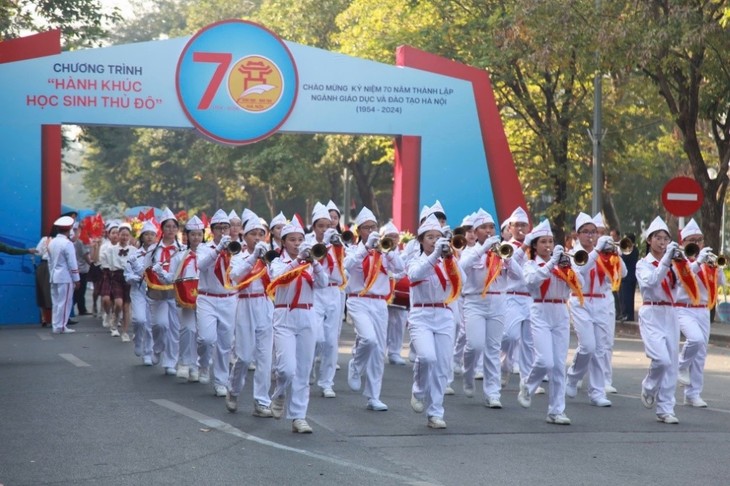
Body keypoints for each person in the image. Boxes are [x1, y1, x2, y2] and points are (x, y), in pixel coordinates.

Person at [518, 219, 582, 425]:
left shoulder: (562, 263)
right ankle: (528, 385)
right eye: (543, 242)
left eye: (550, 241)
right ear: (535, 246)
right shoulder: (530, 265)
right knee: (545, 360)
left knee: (558, 365)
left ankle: (556, 411)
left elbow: (580, 285)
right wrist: (552, 262)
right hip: (540, 310)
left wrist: (570, 269)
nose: (548, 245)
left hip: (561, 311)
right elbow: (531, 280)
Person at [268, 217, 328, 433]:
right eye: (292, 240)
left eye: (300, 239)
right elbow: (279, 278)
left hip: (307, 314)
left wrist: (314, 263)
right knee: (286, 369)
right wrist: (298, 261)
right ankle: (279, 393)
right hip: (284, 315)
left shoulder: (310, 264)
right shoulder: (277, 262)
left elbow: (324, 284)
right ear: (283, 242)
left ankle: (298, 416)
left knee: (303, 369)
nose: (296, 243)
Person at [407, 214, 465, 428]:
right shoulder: (416, 260)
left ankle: (435, 413)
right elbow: (415, 275)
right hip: (420, 314)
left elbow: (463, 282)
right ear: (421, 240)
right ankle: (418, 390)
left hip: (444, 314)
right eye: (429, 237)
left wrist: (450, 259)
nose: (434, 241)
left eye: (437, 237)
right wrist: (434, 256)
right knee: (427, 357)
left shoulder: (448, 261)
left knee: (442, 365)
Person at [345, 206, 405, 412]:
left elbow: (400, 269)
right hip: (358, 300)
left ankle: (373, 396)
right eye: (366, 227)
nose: (371, 231)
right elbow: (347, 266)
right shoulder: (352, 250)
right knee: (368, 339)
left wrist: (388, 252)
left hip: (379, 302)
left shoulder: (384, 250)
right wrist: (365, 248)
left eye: (373, 227)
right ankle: (356, 365)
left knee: (378, 349)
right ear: (359, 231)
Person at [459, 209, 521, 409]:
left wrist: (508, 260)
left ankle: (492, 393)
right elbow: (461, 268)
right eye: (483, 228)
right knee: (475, 345)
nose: (488, 231)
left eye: (491, 227)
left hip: (498, 302)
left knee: (493, 348)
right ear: (475, 232)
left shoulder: (502, 251)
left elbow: (519, 276)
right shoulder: (470, 252)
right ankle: (468, 374)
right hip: (475, 301)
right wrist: (482, 249)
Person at [565, 212, 625, 407]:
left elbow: (622, 273)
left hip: (602, 302)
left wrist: (615, 254)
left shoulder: (603, 253)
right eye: (586, 232)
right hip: (580, 301)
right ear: (577, 234)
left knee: (600, 348)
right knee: (587, 346)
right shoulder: (573, 253)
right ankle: (573, 376)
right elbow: (580, 270)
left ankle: (597, 392)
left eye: (594, 232)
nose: (591, 236)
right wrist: (597, 251)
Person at [227, 211, 275, 417]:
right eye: (253, 234)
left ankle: (262, 401)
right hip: (245, 305)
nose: (257, 237)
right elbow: (235, 276)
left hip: (264, 304)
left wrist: (268, 261)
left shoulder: (271, 256)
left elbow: (278, 278)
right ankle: (233, 390)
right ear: (244, 236)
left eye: (261, 234)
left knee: (265, 357)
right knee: (245, 357)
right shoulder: (238, 257)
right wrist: (254, 258)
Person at [636, 216, 681, 424]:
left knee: (671, 362)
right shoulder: (642, 264)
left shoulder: (673, 264)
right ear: (649, 240)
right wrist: (666, 261)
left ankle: (665, 409)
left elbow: (685, 285)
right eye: (658, 238)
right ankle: (649, 386)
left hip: (670, 313)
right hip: (651, 312)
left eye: (665, 239)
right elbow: (653, 281)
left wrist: (691, 264)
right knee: (661, 359)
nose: (662, 243)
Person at [676, 219, 721, 408]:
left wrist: (717, 267)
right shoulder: (679, 259)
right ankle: (680, 366)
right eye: (692, 240)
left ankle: (693, 394)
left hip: (703, 310)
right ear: (684, 242)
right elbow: (683, 278)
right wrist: (698, 261)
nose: (697, 243)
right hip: (683, 308)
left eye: (699, 239)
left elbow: (720, 283)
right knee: (695, 339)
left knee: (701, 353)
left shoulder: (706, 260)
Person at [154, 215, 204, 381]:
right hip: (186, 299)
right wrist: (160, 273)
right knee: (188, 329)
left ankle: (196, 366)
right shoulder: (180, 255)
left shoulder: (209, 254)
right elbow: (172, 278)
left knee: (201, 334)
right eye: (193, 234)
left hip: (205, 299)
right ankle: (183, 362)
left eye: (199, 234)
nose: (196, 238)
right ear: (187, 236)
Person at [195, 209, 237, 396]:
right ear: (212, 230)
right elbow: (201, 265)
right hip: (207, 298)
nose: (223, 231)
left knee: (225, 344)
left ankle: (221, 381)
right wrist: (219, 249)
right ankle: (203, 363)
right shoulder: (204, 248)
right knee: (206, 339)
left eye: (226, 228)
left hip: (229, 299)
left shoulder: (236, 248)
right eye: (219, 228)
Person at [307, 202, 347, 398]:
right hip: (315, 291)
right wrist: (324, 245)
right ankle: (309, 366)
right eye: (320, 226)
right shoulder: (307, 243)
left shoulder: (338, 243)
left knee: (331, 341)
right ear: (314, 227)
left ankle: (326, 382)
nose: (324, 229)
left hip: (334, 292)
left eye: (328, 226)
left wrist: (337, 246)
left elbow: (345, 268)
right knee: (316, 337)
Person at [125, 221, 157, 365]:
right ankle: (138, 340)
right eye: (147, 234)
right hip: (138, 290)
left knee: (150, 324)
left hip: (154, 292)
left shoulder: (158, 254)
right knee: (140, 320)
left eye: (152, 234)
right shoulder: (134, 255)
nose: (149, 237)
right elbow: (127, 275)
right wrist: (136, 278)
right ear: (142, 237)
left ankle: (148, 353)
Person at [47, 215, 80, 334]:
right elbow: (72, 263)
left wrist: (51, 274)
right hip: (65, 277)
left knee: (56, 303)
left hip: (54, 276)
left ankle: (56, 325)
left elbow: (50, 261)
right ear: (69, 229)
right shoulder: (67, 244)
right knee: (65, 302)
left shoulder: (51, 242)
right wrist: (76, 279)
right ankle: (61, 326)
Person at [382, 221, 408, 366]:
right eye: (389, 236)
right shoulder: (380, 251)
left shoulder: (403, 253)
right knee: (383, 322)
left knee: (398, 323)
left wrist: (393, 277)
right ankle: (381, 350)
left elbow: (403, 270)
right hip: (383, 292)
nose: (392, 239)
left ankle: (395, 353)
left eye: (395, 236)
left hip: (399, 294)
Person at [105, 223, 135, 340]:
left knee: (126, 306)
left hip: (128, 277)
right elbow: (110, 265)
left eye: (127, 235)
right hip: (116, 276)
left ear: (130, 236)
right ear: (118, 235)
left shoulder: (133, 250)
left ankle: (125, 332)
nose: (124, 237)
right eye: (122, 235)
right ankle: (114, 318)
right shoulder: (111, 249)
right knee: (118, 303)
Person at [34, 227, 54, 327]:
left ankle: (44, 318)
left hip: (43, 265)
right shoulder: (63, 242)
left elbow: (38, 252)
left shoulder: (45, 239)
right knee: (53, 293)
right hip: (53, 266)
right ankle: (54, 318)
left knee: (42, 291)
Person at [618, 232, 639, 321]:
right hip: (631, 277)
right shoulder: (634, 249)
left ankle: (627, 315)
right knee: (627, 297)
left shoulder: (630, 249)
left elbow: (623, 259)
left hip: (627, 277)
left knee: (627, 297)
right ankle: (628, 314)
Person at [72, 223, 92, 316]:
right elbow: (85, 255)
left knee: (79, 291)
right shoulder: (81, 240)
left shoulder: (76, 239)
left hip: (78, 267)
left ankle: (82, 308)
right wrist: (92, 264)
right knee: (80, 291)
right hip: (82, 269)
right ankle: (75, 307)